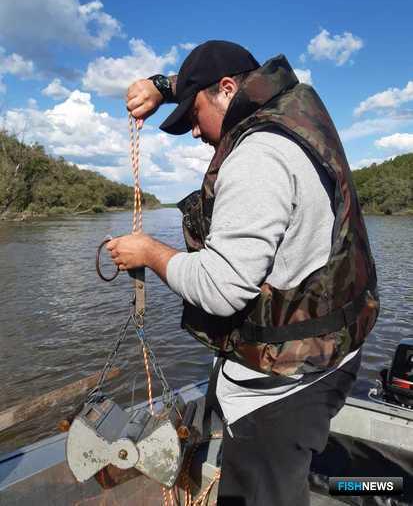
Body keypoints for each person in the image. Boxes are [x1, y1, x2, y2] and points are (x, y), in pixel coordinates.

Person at [107, 40, 379, 506]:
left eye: (193, 115)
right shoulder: (294, 111)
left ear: (228, 90)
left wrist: (149, 252)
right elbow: (222, 75)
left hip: (281, 392)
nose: (194, 132)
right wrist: (161, 88)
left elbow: (220, 288)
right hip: (331, 357)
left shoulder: (257, 156)